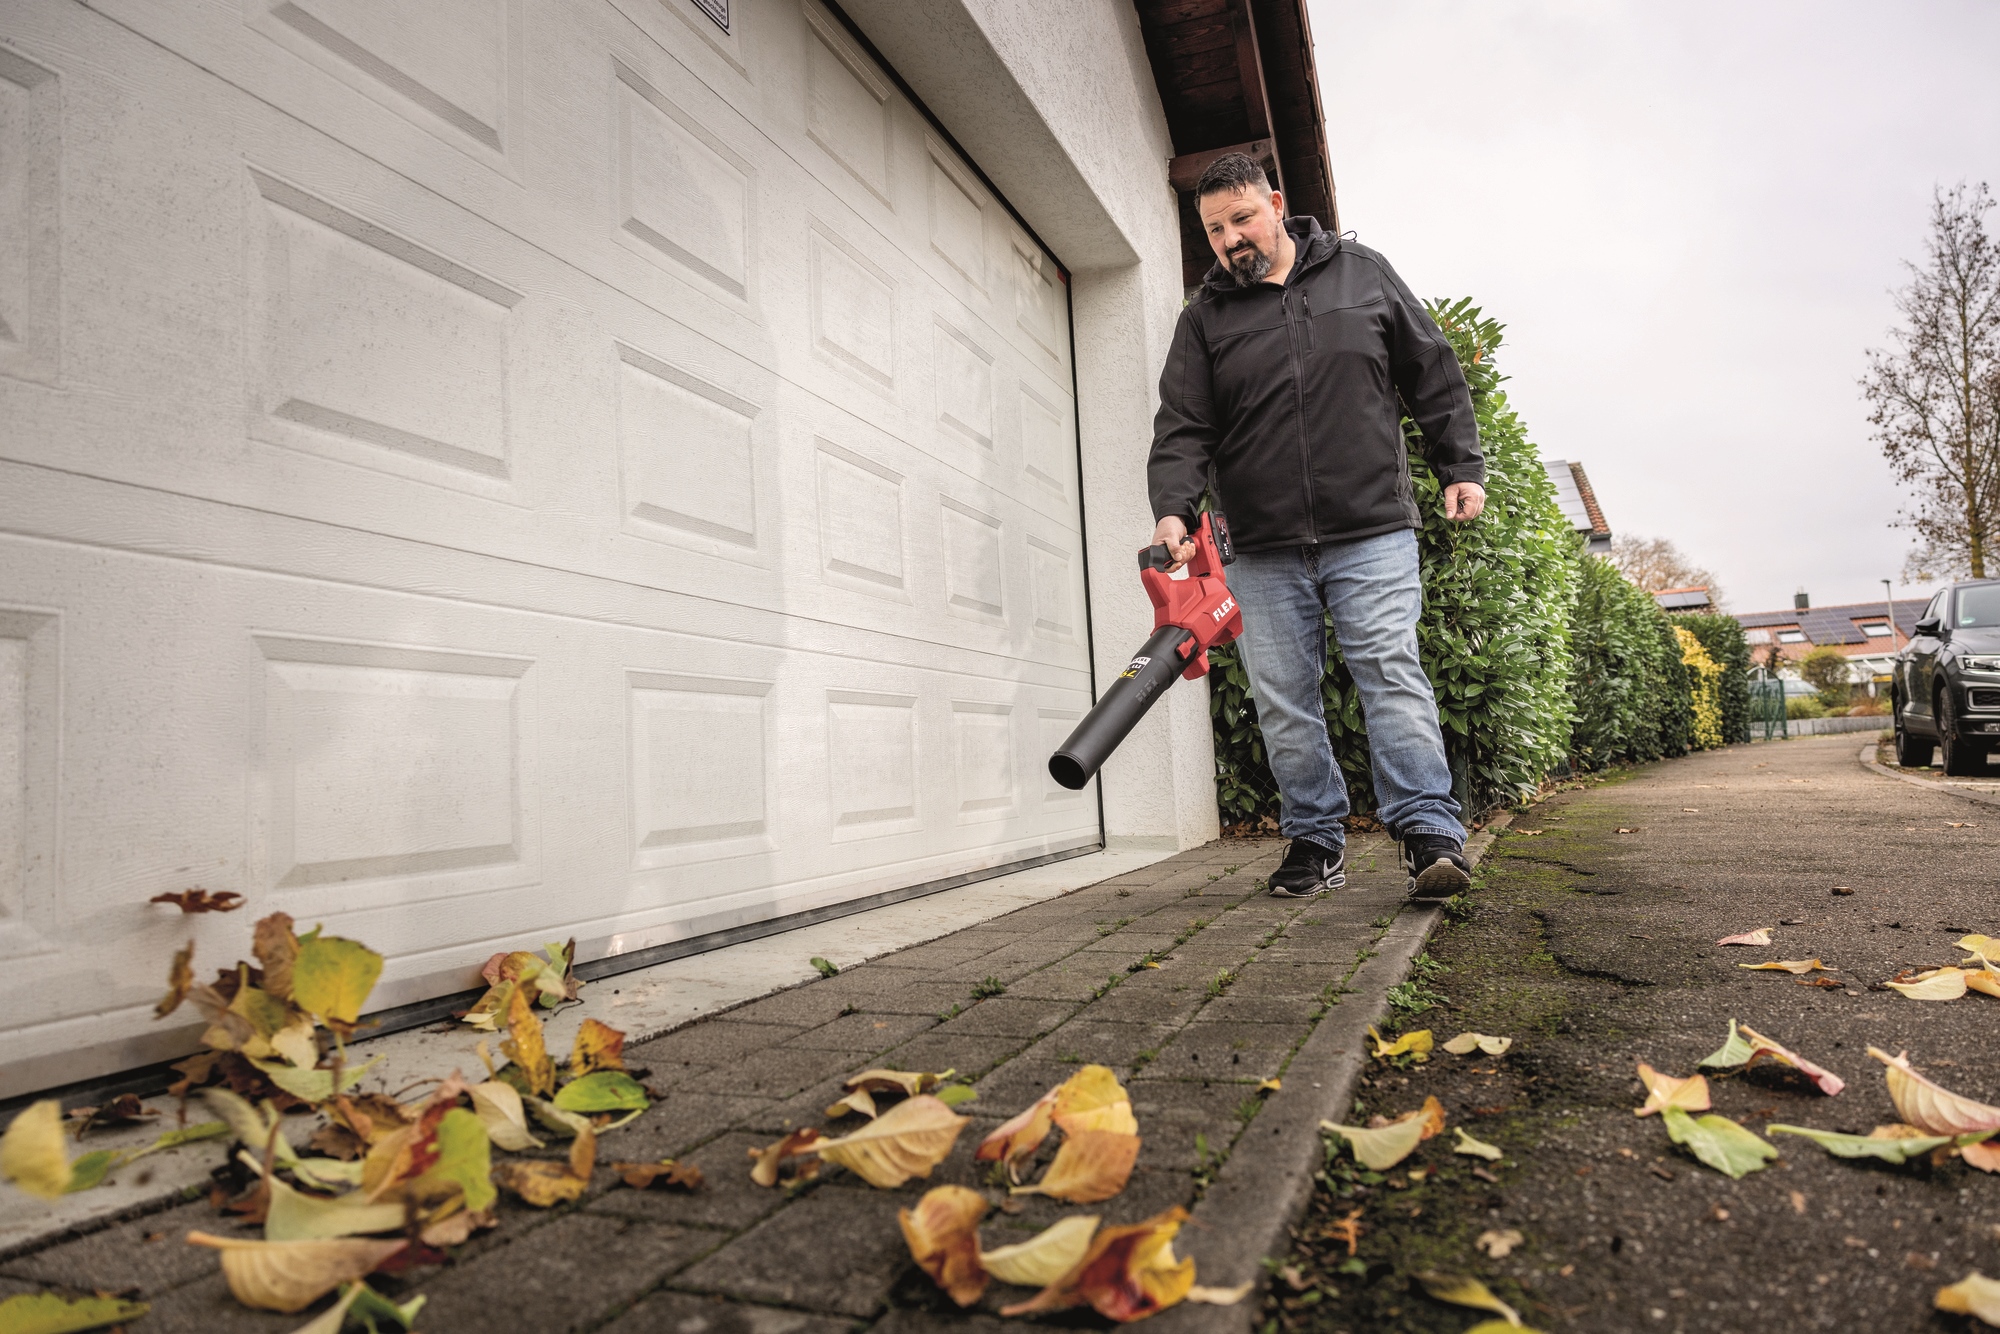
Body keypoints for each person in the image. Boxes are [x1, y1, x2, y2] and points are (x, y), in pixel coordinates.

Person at [1148, 152, 1485, 900]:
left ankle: (1430, 832)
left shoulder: (1361, 274)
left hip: (1371, 527)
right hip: (1259, 543)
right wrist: (1172, 508)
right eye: (1214, 230)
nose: (1230, 239)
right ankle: (1314, 838)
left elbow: (1431, 370)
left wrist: (1459, 465)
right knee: (1283, 697)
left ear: (1276, 204)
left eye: (1241, 219)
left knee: (1390, 672)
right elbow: (1184, 425)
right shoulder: (1204, 317)